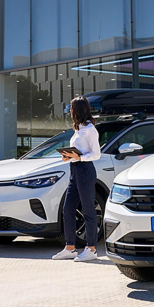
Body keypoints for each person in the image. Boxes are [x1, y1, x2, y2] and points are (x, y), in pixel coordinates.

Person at [52, 96, 102, 262]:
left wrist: (79, 158)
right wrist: (70, 157)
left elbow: (96, 154)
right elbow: (78, 152)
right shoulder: (78, 129)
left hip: (86, 171)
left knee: (88, 209)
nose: (69, 110)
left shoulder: (90, 129)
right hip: (74, 170)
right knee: (67, 209)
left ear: (78, 109)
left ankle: (91, 249)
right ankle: (70, 247)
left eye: (71, 108)